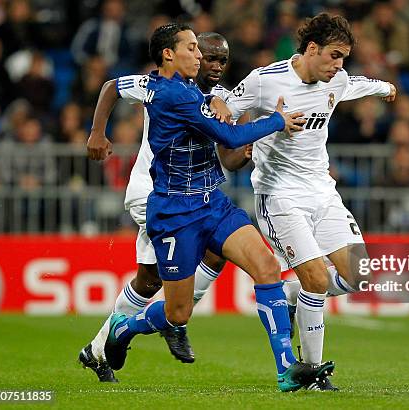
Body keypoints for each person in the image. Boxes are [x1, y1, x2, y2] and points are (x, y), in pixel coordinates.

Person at [100, 23, 334, 392]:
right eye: (193, 49)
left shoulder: (197, 90)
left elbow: (225, 130)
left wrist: (227, 110)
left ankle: (287, 368)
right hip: (175, 212)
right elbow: (227, 135)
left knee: (268, 266)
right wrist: (275, 121)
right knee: (178, 313)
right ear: (168, 55)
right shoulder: (170, 95)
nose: (201, 56)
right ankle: (125, 326)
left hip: (213, 202)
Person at [221, 13, 397, 390]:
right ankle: (313, 373)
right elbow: (224, 110)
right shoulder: (264, 82)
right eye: (334, 56)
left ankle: (286, 294)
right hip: (279, 195)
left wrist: (384, 88)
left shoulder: (339, 79)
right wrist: (224, 115)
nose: (339, 66)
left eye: (344, 58)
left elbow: (358, 85)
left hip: (323, 192)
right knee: (316, 279)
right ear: (311, 49)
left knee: (358, 275)